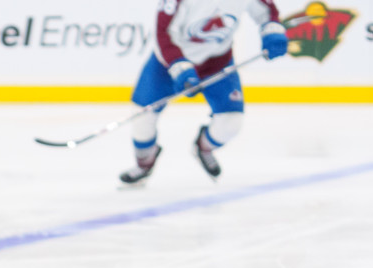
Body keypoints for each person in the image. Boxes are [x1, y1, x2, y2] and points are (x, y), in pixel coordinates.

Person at [119, 0, 289, 185]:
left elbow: (267, 11)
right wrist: (179, 67)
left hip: (217, 63)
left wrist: (272, 30)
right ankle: (144, 163)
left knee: (231, 123)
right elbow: (163, 32)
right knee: (141, 120)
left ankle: (203, 147)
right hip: (168, 63)